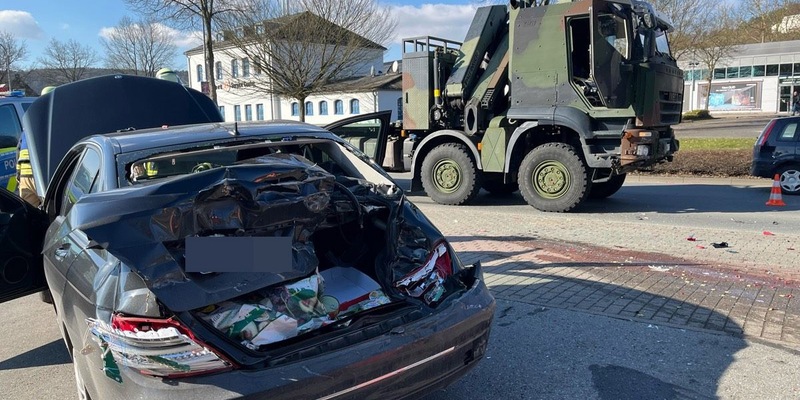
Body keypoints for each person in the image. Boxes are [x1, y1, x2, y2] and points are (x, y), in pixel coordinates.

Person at [16, 85, 57, 207]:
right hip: (44, 178)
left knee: (28, 216)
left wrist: (19, 177)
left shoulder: (30, 122)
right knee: (52, 215)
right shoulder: (56, 122)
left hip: (25, 178)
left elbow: (19, 151)